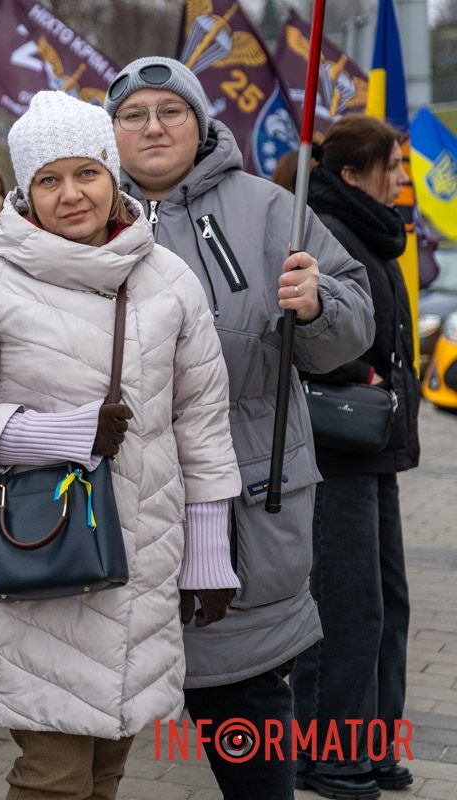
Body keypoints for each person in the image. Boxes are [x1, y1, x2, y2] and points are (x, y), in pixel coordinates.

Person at [0, 89, 242, 800]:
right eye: (49, 180)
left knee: (107, 769)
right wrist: (65, 434)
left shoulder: (168, 279)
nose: (72, 194)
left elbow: (202, 422)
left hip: (147, 562)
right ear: (28, 192)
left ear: (112, 171)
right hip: (43, 564)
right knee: (54, 774)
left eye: (86, 173)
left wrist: (210, 552)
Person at [102, 57, 375, 799]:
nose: (153, 127)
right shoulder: (78, 210)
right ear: (111, 131)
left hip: (242, 516)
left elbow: (354, 328)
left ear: (201, 122)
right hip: (114, 518)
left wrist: (318, 305)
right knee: (90, 743)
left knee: (247, 718)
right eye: (134, 114)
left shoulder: (271, 209)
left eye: (171, 110)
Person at [292, 115, 419, 799]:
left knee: (387, 604)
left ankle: (374, 745)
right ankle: (327, 753)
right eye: (391, 165)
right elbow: (317, 336)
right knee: (346, 607)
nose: (402, 177)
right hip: (338, 446)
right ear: (351, 175)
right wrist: (365, 377)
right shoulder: (326, 231)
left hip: (377, 446)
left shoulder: (374, 232)